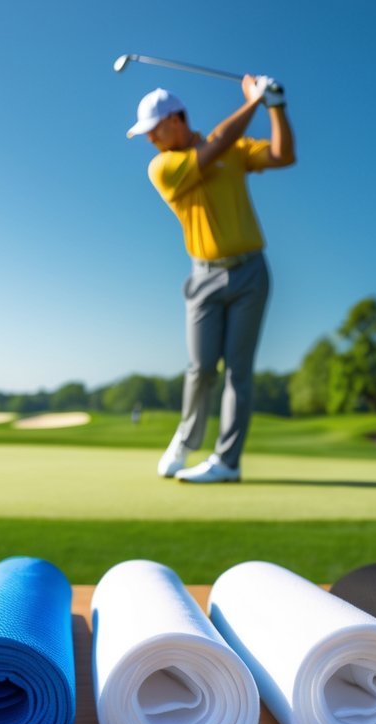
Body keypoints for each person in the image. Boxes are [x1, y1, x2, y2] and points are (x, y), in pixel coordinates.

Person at [126, 74, 295, 483]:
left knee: (239, 370)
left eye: (153, 130)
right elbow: (216, 143)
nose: (150, 140)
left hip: (251, 271)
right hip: (203, 276)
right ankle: (184, 442)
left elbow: (282, 155)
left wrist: (275, 106)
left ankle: (227, 462)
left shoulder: (234, 148)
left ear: (176, 120)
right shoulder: (163, 166)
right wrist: (253, 101)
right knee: (201, 367)